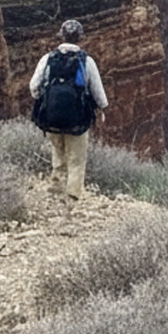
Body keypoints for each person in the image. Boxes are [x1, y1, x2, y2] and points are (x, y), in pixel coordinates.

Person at [29, 19, 108, 200]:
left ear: (61, 36)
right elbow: (97, 91)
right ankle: (72, 196)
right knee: (76, 159)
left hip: (52, 118)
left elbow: (34, 86)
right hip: (77, 120)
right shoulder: (86, 61)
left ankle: (56, 188)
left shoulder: (48, 59)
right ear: (80, 37)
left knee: (58, 152)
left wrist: (46, 101)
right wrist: (102, 108)